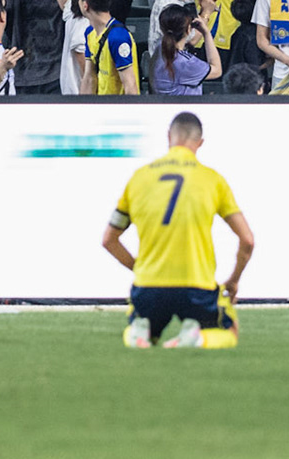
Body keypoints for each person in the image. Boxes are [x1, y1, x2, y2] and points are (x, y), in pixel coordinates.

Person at [102, 110, 254, 349]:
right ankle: (198, 337)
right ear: (200, 143)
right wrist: (233, 281)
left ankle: (139, 331)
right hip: (196, 288)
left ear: (168, 137)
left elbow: (109, 240)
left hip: (149, 287)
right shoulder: (212, 180)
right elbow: (247, 240)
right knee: (229, 330)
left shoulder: (139, 178)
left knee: (141, 327)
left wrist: (139, 267)